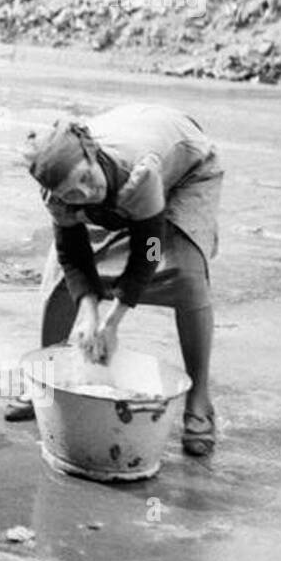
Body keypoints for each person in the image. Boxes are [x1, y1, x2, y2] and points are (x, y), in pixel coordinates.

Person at [13, 104, 223, 456]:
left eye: (85, 178)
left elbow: (149, 252)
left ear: (92, 154)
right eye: (70, 193)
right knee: (57, 277)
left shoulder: (139, 174)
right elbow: (73, 255)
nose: (83, 194)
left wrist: (112, 323)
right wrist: (89, 313)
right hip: (129, 158)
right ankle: (46, 384)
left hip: (188, 169)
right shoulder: (59, 192)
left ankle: (199, 400)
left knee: (186, 276)